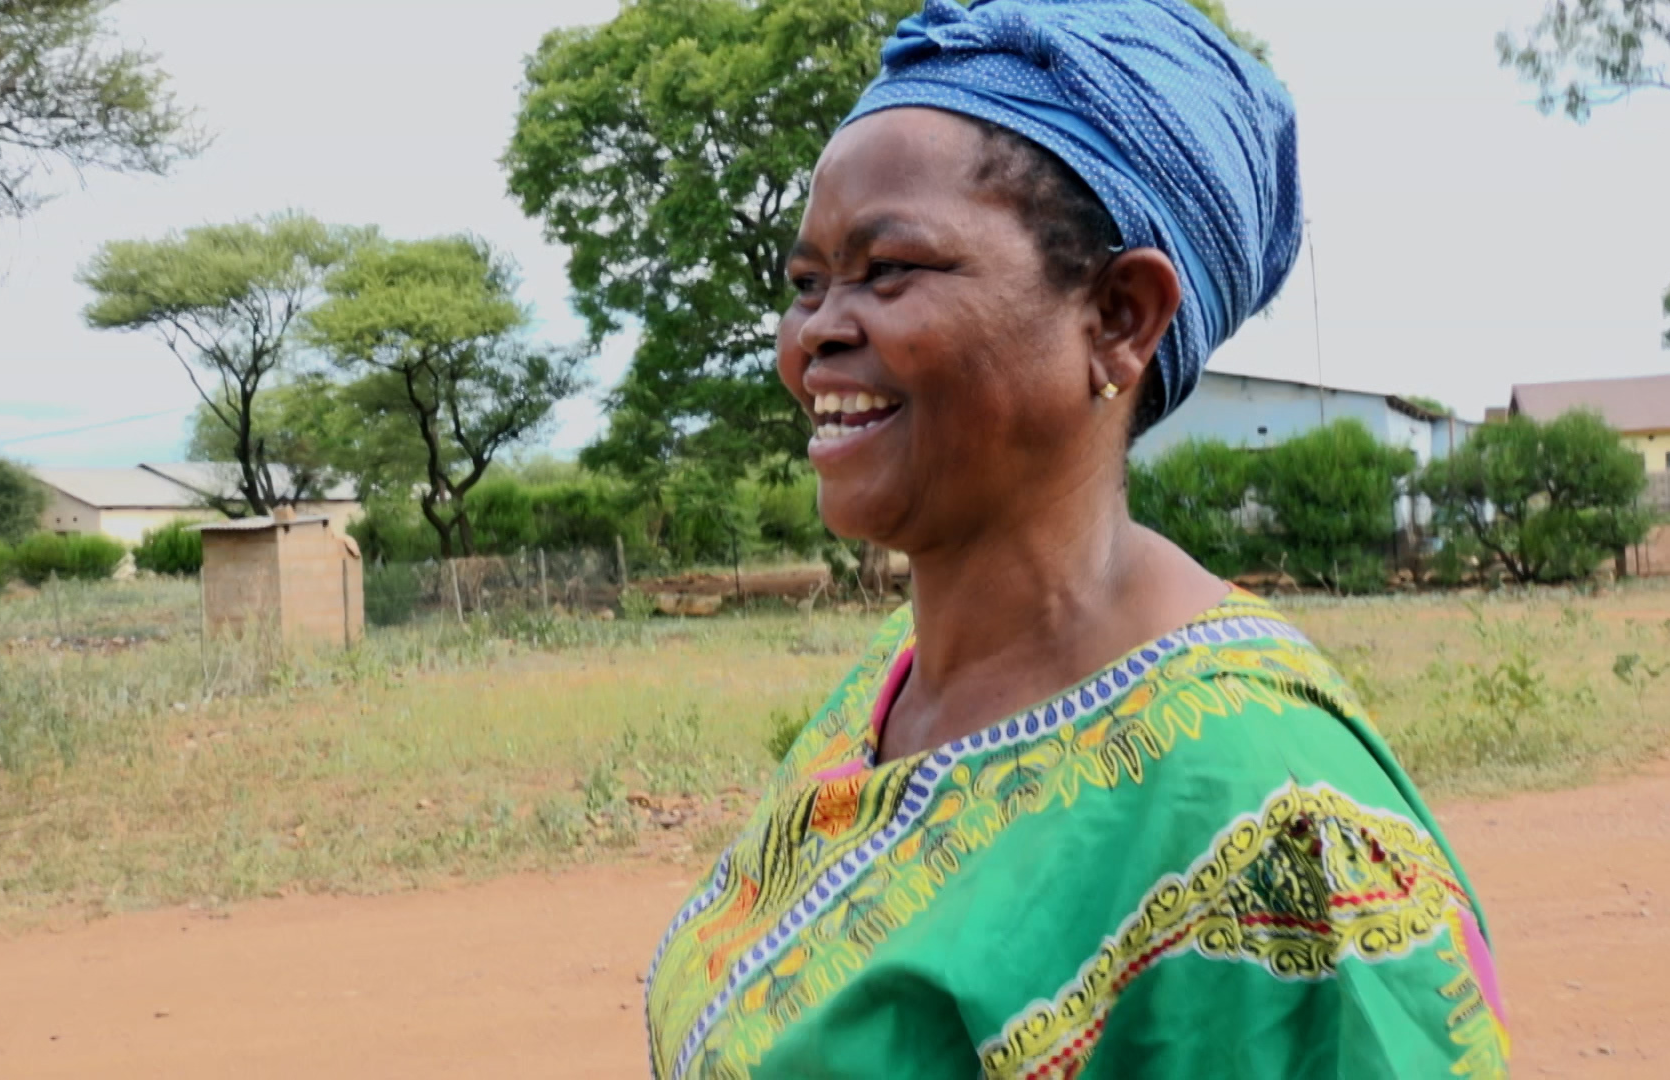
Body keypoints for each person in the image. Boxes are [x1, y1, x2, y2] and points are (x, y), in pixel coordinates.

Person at [643, 1, 1510, 1077]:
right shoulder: (891, 687)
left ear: (1120, 317)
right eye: (807, 284)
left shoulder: (1275, 827)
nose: (816, 331)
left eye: (889, 268)